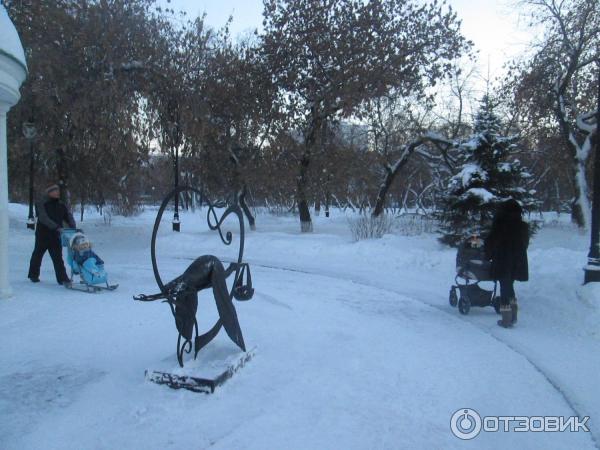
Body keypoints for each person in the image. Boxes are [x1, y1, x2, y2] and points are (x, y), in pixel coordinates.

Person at [484, 199, 529, 328]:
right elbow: (525, 243)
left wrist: (488, 255)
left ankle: (506, 318)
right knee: (510, 287)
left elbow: (491, 241)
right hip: (518, 260)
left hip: (503, 259)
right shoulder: (522, 225)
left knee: (505, 287)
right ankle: (513, 315)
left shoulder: (500, 224)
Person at [27, 184, 76, 285]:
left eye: (57, 190)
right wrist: (56, 227)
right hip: (43, 235)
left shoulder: (61, 204)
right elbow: (43, 218)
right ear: (48, 192)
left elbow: (68, 216)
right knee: (38, 255)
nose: (57, 192)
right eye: (54, 190)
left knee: (58, 257)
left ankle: (63, 279)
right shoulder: (41, 203)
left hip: (56, 235)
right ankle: (33, 275)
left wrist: (73, 227)